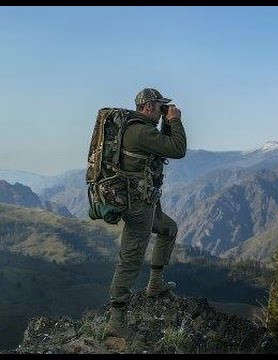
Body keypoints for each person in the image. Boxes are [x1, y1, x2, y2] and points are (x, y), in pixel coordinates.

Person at [104, 88, 187, 338]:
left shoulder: (138, 128)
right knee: (131, 258)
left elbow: (161, 149)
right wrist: (174, 120)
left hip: (143, 201)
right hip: (137, 205)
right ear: (149, 107)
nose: (163, 110)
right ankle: (116, 322)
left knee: (168, 229)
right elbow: (177, 149)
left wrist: (165, 122)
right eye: (160, 107)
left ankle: (155, 284)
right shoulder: (140, 131)